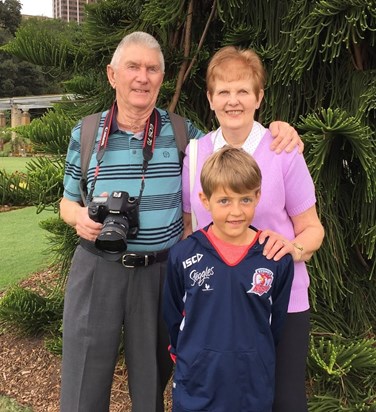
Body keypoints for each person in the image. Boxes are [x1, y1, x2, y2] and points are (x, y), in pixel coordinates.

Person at [59, 31, 305, 412]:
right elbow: (66, 202)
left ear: (161, 79)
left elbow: (230, 140)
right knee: (82, 385)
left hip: (158, 272)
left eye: (152, 69)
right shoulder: (86, 132)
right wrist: (79, 218)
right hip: (96, 268)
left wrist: (280, 128)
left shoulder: (182, 134)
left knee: (151, 383)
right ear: (112, 75)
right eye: (133, 67)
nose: (143, 77)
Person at [182, 46, 325, 411]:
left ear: (259, 97)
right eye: (224, 92)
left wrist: (292, 248)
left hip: (281, 302)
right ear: (210, 99)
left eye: (243, 91)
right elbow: (190, 232)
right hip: (218, 303)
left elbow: (312, 229)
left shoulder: (283, 149)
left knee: (285, 400)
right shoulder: (196, 155)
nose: (234, 101)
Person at [164, 146, 294, 411]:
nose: (236, 211)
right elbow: (173, 315)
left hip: (252, 383)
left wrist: (256, 357)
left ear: (258, 196)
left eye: (245, 199)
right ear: (205, 200)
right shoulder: (183, 255)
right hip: (197, 382)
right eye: (224, 200)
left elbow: (276, 323)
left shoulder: (275, 259)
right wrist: (192, 356)